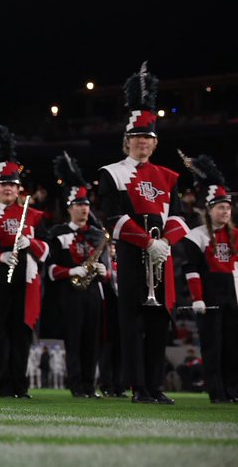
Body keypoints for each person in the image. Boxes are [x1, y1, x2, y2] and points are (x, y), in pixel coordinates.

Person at [97, 63, 189, 404]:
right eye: (136, 138)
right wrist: (148, 241)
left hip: (160, 256)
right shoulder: (112, 174)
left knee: (157, 324)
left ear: (155, 142)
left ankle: (155, 385)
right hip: (133, 256)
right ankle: (137, 386)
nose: (142, 143)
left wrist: (165, 242)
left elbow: (179, 218)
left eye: (147, 138)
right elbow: (113, 218)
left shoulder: (169, 176)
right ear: (127, 141)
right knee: (132, 326)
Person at [0, 124, 49, 399]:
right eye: (3, 184)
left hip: (25, 278)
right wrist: (0, 256)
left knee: (21, 334)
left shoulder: (34, 216)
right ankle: (1, 385)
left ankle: (20, 385)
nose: (7, 188)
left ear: (19, 188)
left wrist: (31, 243)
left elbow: (47, 250)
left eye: (12, 184)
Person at [44, 152, 108, 398]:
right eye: (79, 205)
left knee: (92, 341)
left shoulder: (97, 234)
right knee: (74, 340)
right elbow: (49, 270)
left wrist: (104, 271)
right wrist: (71, 270)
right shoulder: (57, 233)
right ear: (69, 208)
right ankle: (76, 386)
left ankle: (90, 386)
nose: (84, 209)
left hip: (93, 291)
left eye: (87, 205)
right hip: (69, 293)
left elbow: (106, 267)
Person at [178, 153, 238, 403]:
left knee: (233, 347)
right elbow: (190, 269)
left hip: (232, 295)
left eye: (228, 207)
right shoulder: (197, 236)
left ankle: (233, 391)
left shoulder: (236, 235)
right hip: (210, 296)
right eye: (220, 207)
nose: (225, 211)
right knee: (213, 347)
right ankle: (217, 393)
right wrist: (197, 298)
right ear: (209, 209)